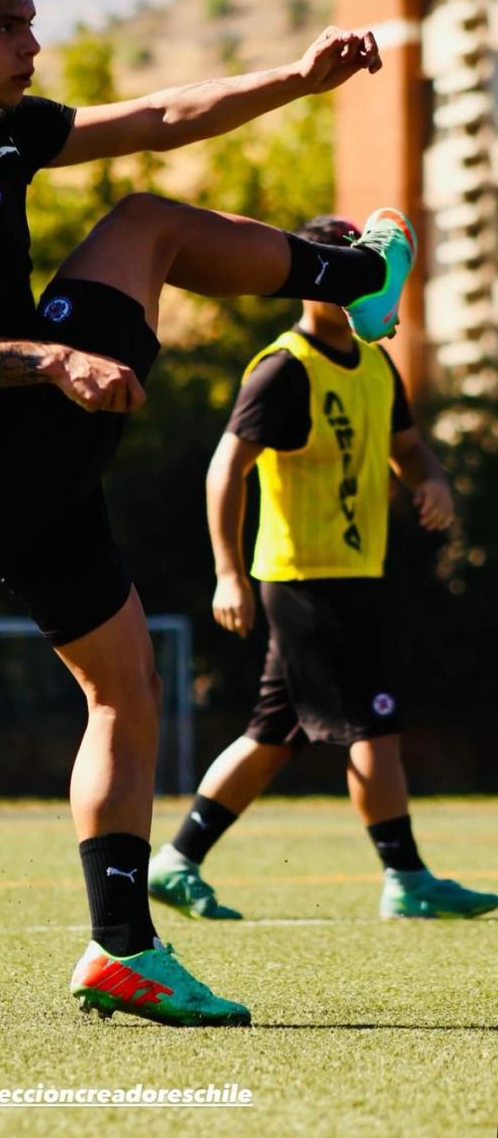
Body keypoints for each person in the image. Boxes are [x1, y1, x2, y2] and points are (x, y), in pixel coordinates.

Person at [0, 0, 416, 1027]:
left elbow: (158, 117)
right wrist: (53, 357)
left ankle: (122, 949)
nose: (33, 43)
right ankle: (353, 281)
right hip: (4, 437)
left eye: (29, 19)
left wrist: (297, 79)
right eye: (8, 27)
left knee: (122, 693)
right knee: (144, 225)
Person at [149, 216, 498, 924]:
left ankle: (177, 861)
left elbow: (411, 449)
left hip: (354, 572)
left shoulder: (375, 362)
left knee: (273, 733)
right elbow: (227, 468)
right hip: (305, 577)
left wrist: (432, 482)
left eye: (363, 269)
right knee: (376, 722)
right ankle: (406, 877)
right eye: (335, 268)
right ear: (307, 277)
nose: (349, 283)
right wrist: (228, 572)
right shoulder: (284, 368)